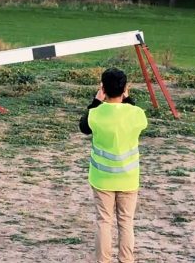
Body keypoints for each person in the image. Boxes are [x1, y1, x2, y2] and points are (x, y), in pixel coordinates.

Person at [79, 68, 148, 263]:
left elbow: (83, 126)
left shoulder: (96, 114)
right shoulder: (137, 113)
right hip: (128, 178)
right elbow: (139, 119)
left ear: (102, 88)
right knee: (126, 222)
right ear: (126, 88)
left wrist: (95, 101)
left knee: (104, 222)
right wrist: (128, 100)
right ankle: (126, 260)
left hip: (102, 179)